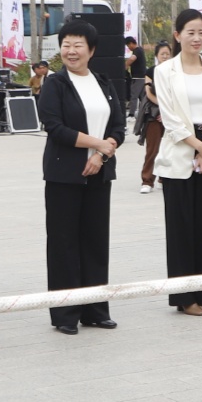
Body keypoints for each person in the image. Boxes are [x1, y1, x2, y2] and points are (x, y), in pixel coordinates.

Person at [37, 19, 125, 334]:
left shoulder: (103, 82)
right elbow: (55, 127)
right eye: (66, 45)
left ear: (92, 50)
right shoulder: (55, 84)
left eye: (78, 45)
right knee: (63, 244)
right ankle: (65, 314)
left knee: (95, 242)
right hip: (64, 175)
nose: (71, 51)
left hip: (99, 174)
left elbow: (118, 127)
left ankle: (95, 310)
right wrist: (96, 144)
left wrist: (101, 155)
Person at [153, 9, 202, 315]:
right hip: (180, 152)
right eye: (190, 32)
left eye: (201, 32)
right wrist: (197, 146)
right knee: (181, 230)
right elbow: (170, 118)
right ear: (177, 35)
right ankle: (185, 298)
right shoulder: (165, 71)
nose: (196, 38)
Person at [137, 40, 175, 193]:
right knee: (152, 148)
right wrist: (162, 110)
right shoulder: (151, 71)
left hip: (171, 114)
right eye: (162, 54)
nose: (165, 56)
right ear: (157, 56)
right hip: (153, 114)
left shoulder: (175, 71)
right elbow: (149, 94)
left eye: (167, 54)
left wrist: (168, 113)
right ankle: (147, 180)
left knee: (169, 148)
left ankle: (163, 178)